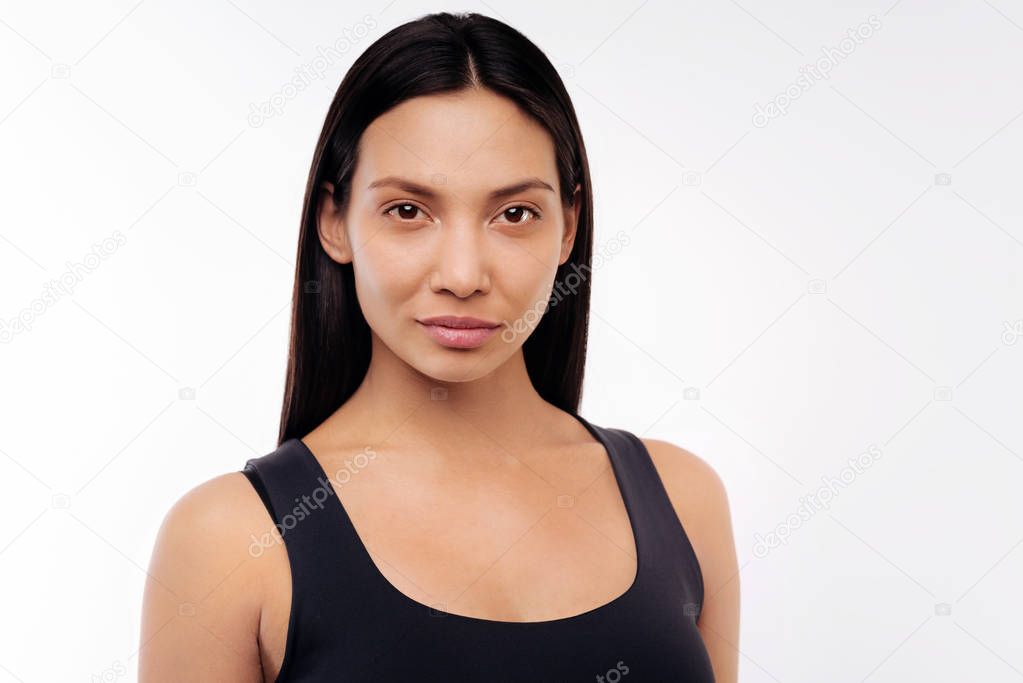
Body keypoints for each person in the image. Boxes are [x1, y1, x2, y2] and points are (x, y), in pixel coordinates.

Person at [140, 11, 739, 681]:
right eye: (407, 210)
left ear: (567, 228)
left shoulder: (684, 500)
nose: (461, 275)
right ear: (334, 222)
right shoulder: (229, 540)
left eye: (514, 214)